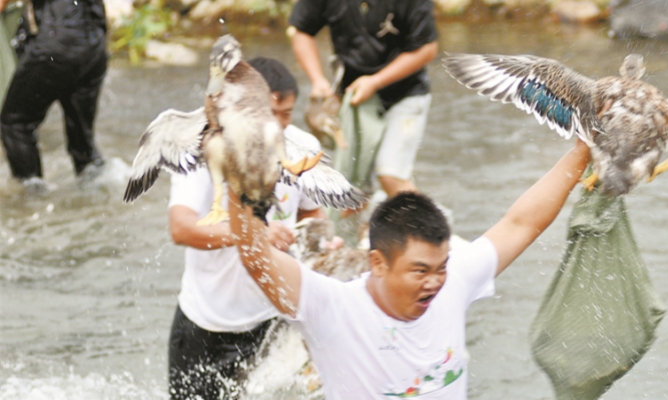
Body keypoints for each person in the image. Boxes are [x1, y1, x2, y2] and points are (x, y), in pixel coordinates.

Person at [229, 139, 592, 399]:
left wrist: (584, 148)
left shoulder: (456, 279)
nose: (435, 283)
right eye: (420, 271)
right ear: (378, 263)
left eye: (441, 268)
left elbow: (520, 224)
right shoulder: (331, 306)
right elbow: (254, 257)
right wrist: (235, 179)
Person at [166, 57, 329, 400]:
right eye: (274, 114)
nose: (283, 125)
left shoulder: (303, 150)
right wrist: (251, 233)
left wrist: (325, 247)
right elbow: (181, 229)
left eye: (288, 113)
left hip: (274, 322)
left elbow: (313, 219)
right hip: (207, 327)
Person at [288, 0, 438, 199]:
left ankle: (431, 229)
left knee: (390, 176)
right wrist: (318, 80)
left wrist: (375, 82)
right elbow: (301, 31)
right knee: (352, 187)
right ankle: (361, 225)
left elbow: (427, 48)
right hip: (353, 98)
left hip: (405, 94)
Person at [0, 0, 107, 192]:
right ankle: (99, 189)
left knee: (15, 122)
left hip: (55, 46)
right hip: (95, 47)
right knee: (82, 138)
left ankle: (33, 195)